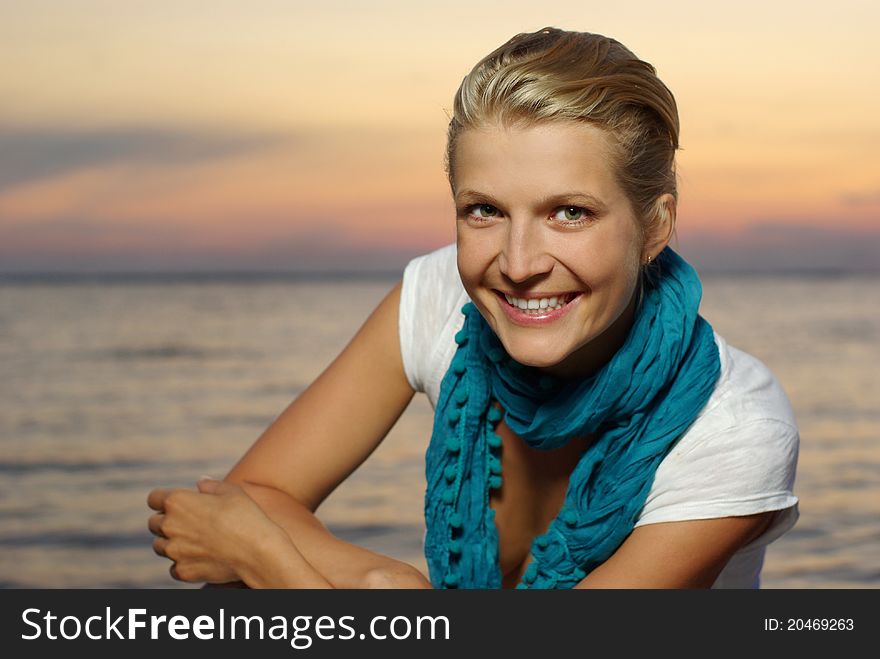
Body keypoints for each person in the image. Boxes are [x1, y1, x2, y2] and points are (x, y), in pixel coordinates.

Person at [147, 26, 800, 589]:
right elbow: (254, 494)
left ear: (656, 226)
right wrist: (374, 578)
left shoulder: (734, 426)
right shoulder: (440, 295)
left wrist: (290, 566)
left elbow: (250, 531)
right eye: (484, 210)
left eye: (569, 212)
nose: (518, 262)